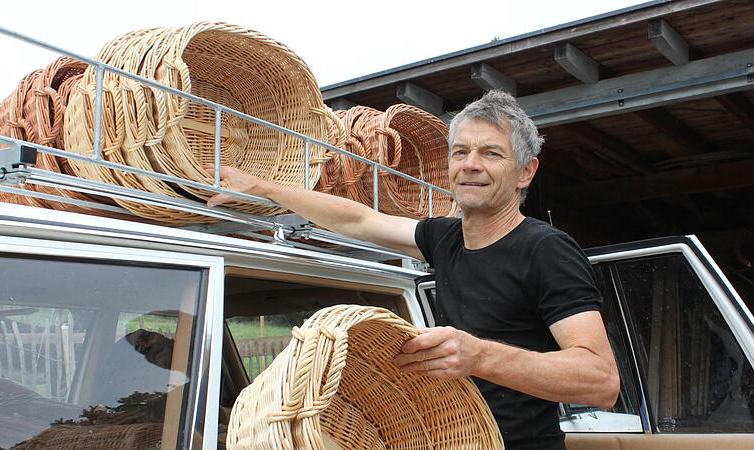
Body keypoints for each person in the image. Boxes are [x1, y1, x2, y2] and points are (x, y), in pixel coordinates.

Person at [207, 90, 620, 449]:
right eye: (460, 151)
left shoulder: (546, 251)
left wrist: (479, 356)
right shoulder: (445, 238)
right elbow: (359, 220)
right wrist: (263, 188)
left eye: (491, 153)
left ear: (525, 172)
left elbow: (601, 382)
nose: (470, 164)